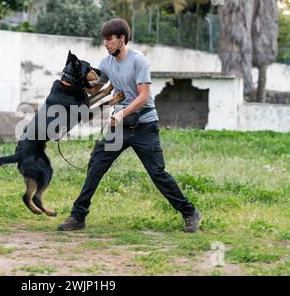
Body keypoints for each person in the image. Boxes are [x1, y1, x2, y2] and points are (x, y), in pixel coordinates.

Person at [57, 18, 201, 233]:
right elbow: (95, 88)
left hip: (144, 125)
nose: (106, 44)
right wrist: (73, 81)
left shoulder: (138, 61)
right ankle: (78, 217)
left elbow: (144, 96)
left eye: (109, 39)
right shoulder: (106, 63)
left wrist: (121, 112)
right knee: (96, 166)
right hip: (120, 127)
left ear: (121, 38)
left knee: (157, 173)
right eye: (104, 40)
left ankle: (190, 213)